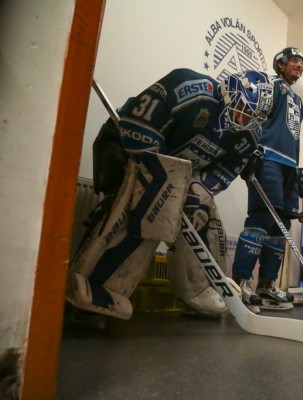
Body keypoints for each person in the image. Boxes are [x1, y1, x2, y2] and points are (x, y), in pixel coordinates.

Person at [67, 68, 274, 321]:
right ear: (231, 90)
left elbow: (224, 171)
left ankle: (199, 291)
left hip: (177, 169)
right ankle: (95, 285)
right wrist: (165, 181)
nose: (243, 120)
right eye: (242, 109)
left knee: (202, 212)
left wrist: (197, 194)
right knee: (148, 203)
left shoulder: (248, 135)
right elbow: (137, 124)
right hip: (123, 144)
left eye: (251, 117)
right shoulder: (192, 87)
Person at [231, 47, 303, 312]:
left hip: (288, 167)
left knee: (281, 228)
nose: (299, 66)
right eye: (294, 61)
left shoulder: (299, 100)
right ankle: (239, 283)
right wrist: (250, 151)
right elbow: (256, 117)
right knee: (260, 220)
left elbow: (293, 136)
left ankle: (266, 285)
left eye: (302, 63)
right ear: (280, 64)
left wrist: (299, 170)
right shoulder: (270, 86)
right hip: (268, 159)